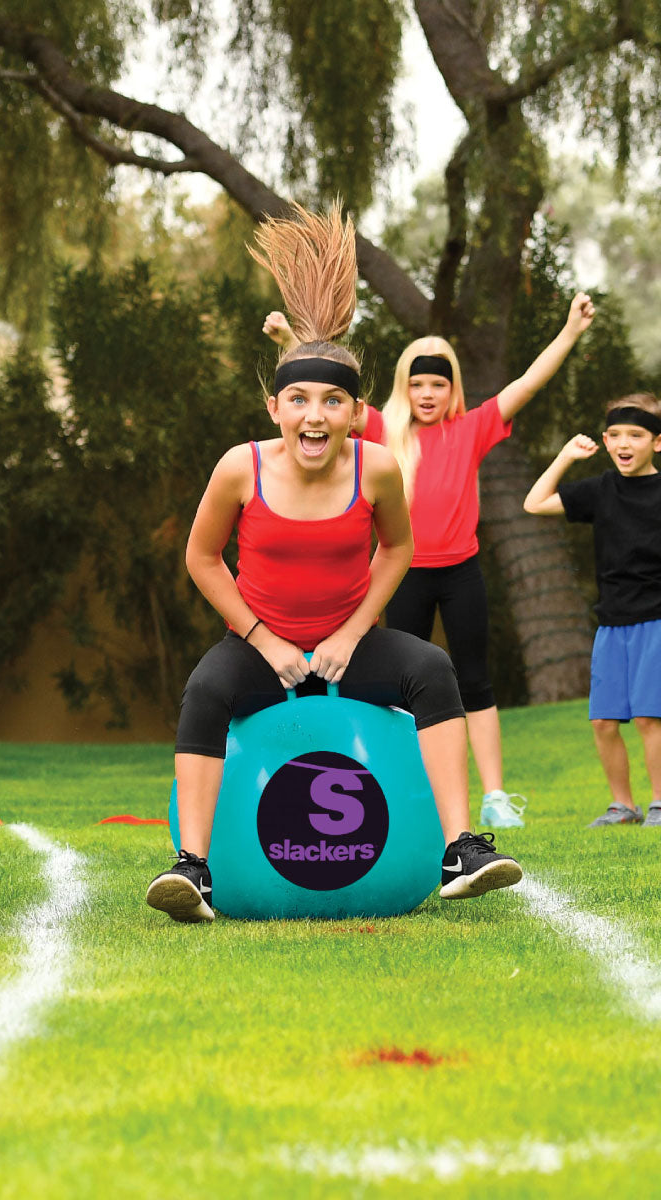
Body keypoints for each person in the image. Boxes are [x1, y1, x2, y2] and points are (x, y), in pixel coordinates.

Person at [147, 205, 523, 924]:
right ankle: (194, 868)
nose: (314, 415)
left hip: (350, 642)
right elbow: (201, 558)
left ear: (356, 412)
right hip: (262, 644)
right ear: (275, 407)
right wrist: (261, 639)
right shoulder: (241, 468)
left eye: (332, 401)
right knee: (203, 690)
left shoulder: (378, 469)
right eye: (298, 400)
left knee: (434, 669)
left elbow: (400, 549)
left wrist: (351, 635)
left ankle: (460, 847)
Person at [265, 292, 596, 829]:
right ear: (404, 386)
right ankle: (405, 783)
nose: (427, 393)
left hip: (461, 572)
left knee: (474, 682)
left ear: (453, 389)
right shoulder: (379, 429)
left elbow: (528, 384)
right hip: (400, 576)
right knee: (397, 685)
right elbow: (322, 388)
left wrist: (570, 332)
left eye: (438, 384)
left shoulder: (472, 428)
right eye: (417, 383)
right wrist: (287, 341)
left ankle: (494, 796)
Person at [523, 394, 661, 827]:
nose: (625, 442)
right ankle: (624, 806)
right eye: (616, 434)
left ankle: (660, 802)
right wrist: (565, 456)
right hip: (611, 622)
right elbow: (534, 503)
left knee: (648, 718)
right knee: (603, 720)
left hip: (655, 619)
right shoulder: (601, 489)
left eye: (636, 435)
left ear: (657, 443)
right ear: (604, 439)